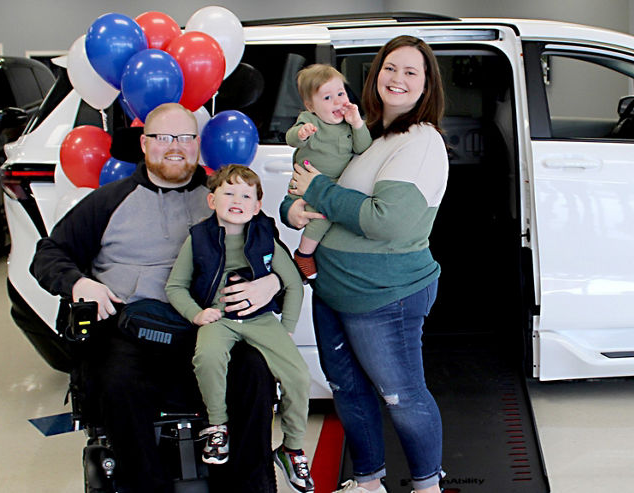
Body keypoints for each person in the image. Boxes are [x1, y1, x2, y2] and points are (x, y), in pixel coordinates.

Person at [32, 102, 281, 493]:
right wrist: (81, 284)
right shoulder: (108, 202)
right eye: (164, 138)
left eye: (184, 138)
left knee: (255, 371)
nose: (175, 147)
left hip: (211, 329)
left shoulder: (223, 197)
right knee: (114, 381)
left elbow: (271, 252)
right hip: (132, 333)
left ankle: (247, 487)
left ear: (197, 144)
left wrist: (272, 283)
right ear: (145, 144)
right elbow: (48, 254)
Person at [283, 36, 448, 493]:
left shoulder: (420, 142)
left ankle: (427, 486)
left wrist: (315, 192)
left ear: (426, 85)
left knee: (401, 396)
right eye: (389, 68)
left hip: (382, 296)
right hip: (334, 289)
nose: (397, 79)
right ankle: (368, 481)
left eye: (410, 72)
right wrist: (291, 210)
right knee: (349, 392)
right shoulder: (367, 134)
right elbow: (308, 184)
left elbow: (386, 221)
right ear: (374, 76)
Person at [165, 164, 314, 492]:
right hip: (220, 319)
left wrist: (286, 327)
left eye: (246, 195)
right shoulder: (199, 238)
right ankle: (217, 427)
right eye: (228, 192)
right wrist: (197, 314)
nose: (237, 199)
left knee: (299, 377)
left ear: (257, 206)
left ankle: (292, 447)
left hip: (260, 320)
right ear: (211, 200)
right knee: (207, 358)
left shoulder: (263, 236)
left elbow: (293, 283)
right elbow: (175, 286)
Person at [285, 63, 373, 281]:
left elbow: (363, 148)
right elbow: (291, 138)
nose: (338, 101)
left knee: (329, 211)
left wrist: (357, 124)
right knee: (322, 217)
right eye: (327, 98)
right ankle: (303, 254)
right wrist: (302, 133)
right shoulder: (310, 120)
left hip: (330, 185)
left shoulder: (347, 124)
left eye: (341, 93)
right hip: (307, 185)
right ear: (310, 106)